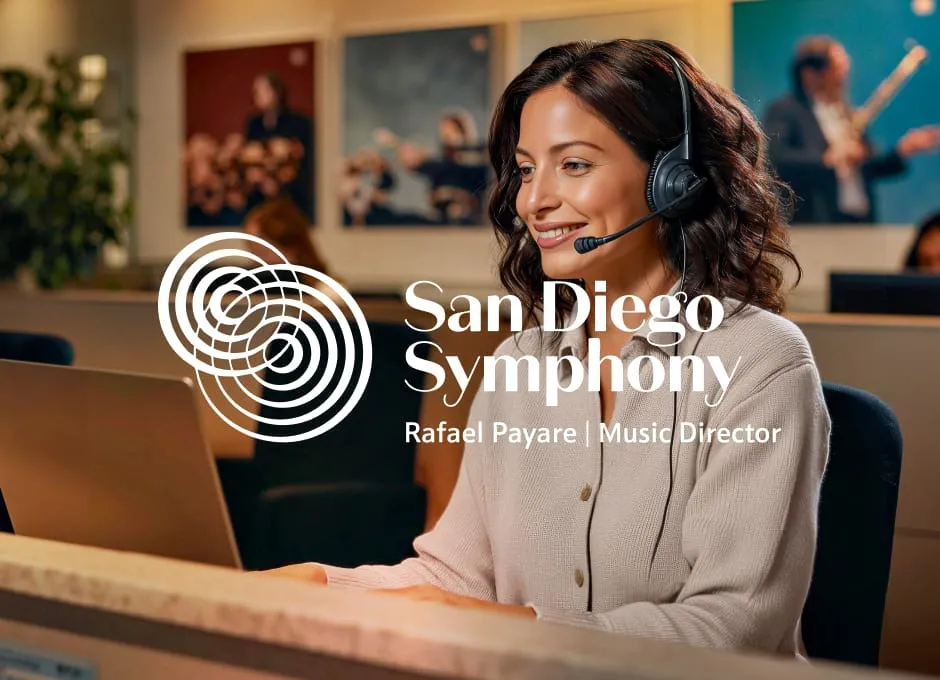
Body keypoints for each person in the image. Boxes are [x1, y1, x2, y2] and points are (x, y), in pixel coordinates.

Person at [261, 39, 831, 658]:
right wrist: (319, 585)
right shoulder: (518, 365)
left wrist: (512, 627)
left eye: (575, 165)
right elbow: (456, 578)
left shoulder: (760, 362)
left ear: (675, 180)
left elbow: (732, 628)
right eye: (528, 169)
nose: (533, 201)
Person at [764, 36, 940, 224]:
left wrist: (904, 150)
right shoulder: (785, 110)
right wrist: (825, 160)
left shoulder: (845, 112)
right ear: (810, 73)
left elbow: (869, 168)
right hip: (819, 220)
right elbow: (777, 159)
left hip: (860, 218)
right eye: (836, 69)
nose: (844, 77)